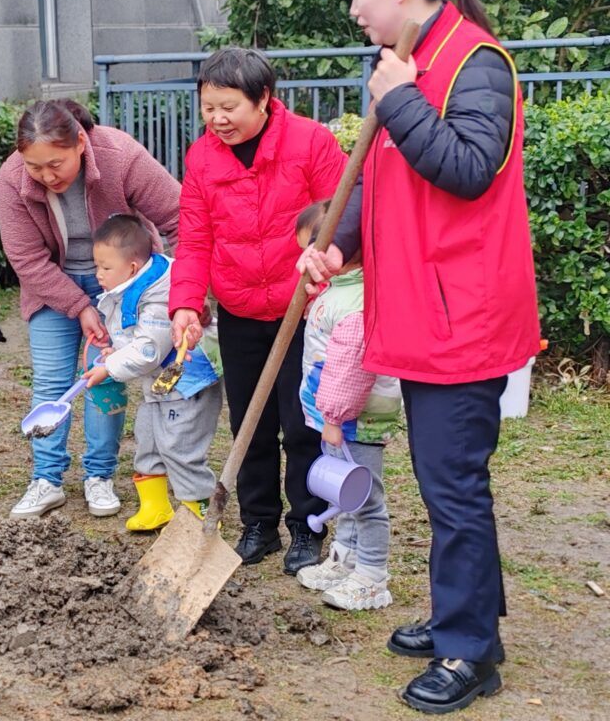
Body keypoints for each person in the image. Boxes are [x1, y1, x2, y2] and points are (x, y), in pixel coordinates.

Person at [298, 0, 541, 712]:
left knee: (453, 487)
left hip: (463, 318)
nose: (353, 10)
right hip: (425, 312)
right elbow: (384, 179)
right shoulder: (409, 61)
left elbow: (468, 168)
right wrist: (340, 245)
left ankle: (469, 652)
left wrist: (400, 99)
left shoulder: (475, 64)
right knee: (445, 483)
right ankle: (463, 618)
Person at [169, 48, 348, 574]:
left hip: (304, 308)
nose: (217, 119)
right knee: (250, 422)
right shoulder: (202, 159)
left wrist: (324, 269)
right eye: (208, 108)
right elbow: (195, 238)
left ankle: (307, 526)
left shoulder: (310, 143)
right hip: (241, 309)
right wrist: (186, 304)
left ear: (264, 98)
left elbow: (341, 217)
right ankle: (258, 524)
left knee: (302, 423)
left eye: (229, 107)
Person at [0, 99, 180, 519]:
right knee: (51, 382)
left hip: (121, 283)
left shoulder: (120, 156)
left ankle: (99, 476)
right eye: (35, 167)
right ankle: (46, 479)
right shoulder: (12, 177)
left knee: (105, 374)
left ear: (80, 142)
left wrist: (181, 287)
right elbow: (26, 258)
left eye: (55, 164)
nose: (47, 177)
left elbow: (180, 216)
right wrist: (80, 306)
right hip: (52, 285)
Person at [292, 202, 401, 611]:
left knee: (365, 499)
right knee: (345, 492)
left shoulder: (357, 302)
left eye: (310, 251)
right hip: (338, 417)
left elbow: (350, 367)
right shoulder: (341, 290)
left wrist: (334, 418)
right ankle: (344, 560)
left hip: (356, 417)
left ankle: (372, 576)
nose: (305, 261)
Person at [82, 215, 222, 531]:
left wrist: (109, 368)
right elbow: (136, 337)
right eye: (96, 266)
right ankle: (155, 506)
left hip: (187, 383)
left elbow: (149, 350)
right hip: (160, 383)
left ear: (132, 267)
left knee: (180, 446)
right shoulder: (130, 286)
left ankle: (201, 513)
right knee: (147, 437)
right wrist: (117, 352)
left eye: (105, 268)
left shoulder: (160, 293)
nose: (98, 274)